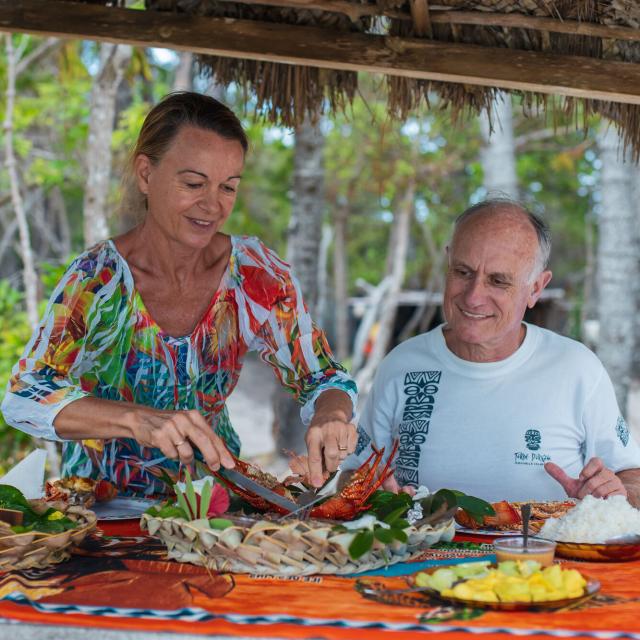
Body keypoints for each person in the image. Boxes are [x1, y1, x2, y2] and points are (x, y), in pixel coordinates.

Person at [1, 92, 357, 496]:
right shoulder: (98, 279)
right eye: (193, 183)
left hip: (214, 511)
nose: (212, 205)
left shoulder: (255, 273)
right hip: (101, 513)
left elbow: (322, 376)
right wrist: (138, 419)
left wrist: (331, 412)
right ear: (145, 174)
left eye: (228, 187)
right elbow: (24, 394)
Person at [347, 198, 640, 505]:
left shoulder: (577, 368)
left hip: (542, 553)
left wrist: (614, 492)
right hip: (422, 553)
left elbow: (631, 474)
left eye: (498, 281)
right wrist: (367, 491)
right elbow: (355, 472)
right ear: (448, 263)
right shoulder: (401, 365)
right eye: (463, 272)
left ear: (536, 288)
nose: (474, 297)